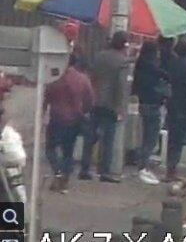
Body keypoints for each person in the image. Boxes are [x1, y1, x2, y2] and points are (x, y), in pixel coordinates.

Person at [80, 30, 129, 182]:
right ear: (124, 45)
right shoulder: (123, 61)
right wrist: (120, 107)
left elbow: (92, 75)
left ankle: (84, 168)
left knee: (90, 137)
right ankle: (105, 171)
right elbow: (121, 86)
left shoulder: (100, 56)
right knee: (108, 139)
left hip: (95, 100)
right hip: (111, 104)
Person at [43, 54, 94, 192]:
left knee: (50, 148)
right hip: (74, 119)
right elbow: (90, 100)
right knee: (68, 151)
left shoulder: (53, 78)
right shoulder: (82, 79)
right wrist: (84, 112)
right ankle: (64, 178)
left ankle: (58, 172)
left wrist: (43, 114)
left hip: (56, 117)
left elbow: (45, 98)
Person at [131, 39, 170, 183]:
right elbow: (165, 76)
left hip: (142, 102)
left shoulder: (140, 65)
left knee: (144, 136)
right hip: (153, 103)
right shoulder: (154, 68)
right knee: (151, 138)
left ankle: (142, 165)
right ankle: (144, 166)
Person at [162, 38, 186, 183]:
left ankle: (170, 168)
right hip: (183, 104)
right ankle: (172, 168)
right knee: (178, 139)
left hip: (172, 102)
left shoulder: (172, 63)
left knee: (172, 137)